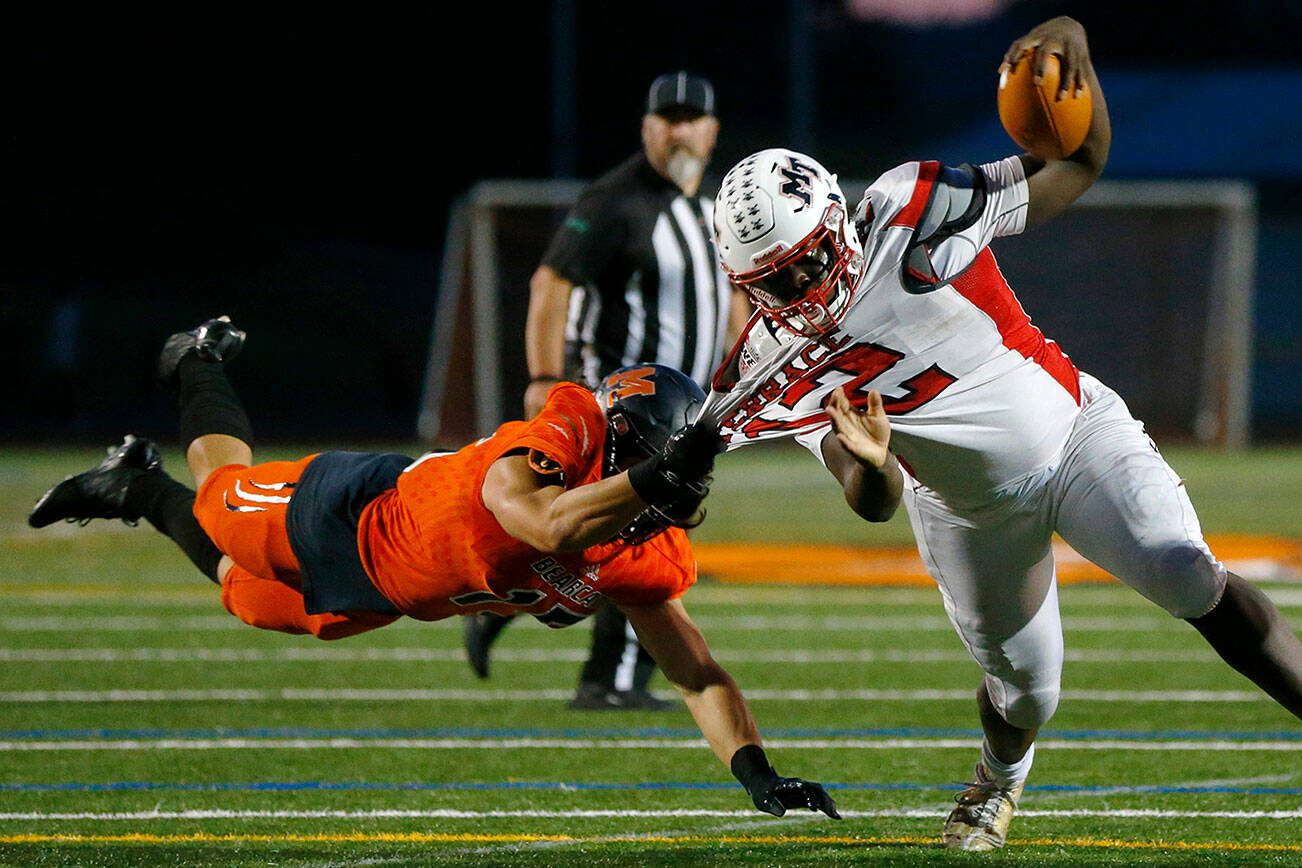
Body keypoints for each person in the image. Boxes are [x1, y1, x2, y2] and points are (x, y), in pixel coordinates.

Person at [707, 16, 1302, 852]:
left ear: (834, 220)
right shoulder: (776, 361)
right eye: (775, 280)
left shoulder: (914, 211)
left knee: (1182, 567)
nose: (801, 287)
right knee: (1027, 692)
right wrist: (874, 463)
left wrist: (1069, 40)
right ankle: (999, 779)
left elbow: (1079, 162)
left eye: (805, 260)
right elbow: (869, 500)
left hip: (1073, 435)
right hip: (965, 509)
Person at [27, 317, 841, 821]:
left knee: (248, 600)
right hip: (353, 509)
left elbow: (696, 675)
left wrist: (758, 776)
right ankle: (196, 360)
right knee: (219, 504)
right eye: (669, 470)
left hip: (398, 589)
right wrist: (651, 480)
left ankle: (135, 482)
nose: (682, 493)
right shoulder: (562, 433)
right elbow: (542, 523)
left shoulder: (646, 548)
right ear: (629, 449)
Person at [464, 70, 753, 710]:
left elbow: (731, 295)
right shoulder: (614, 201)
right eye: (667, 118)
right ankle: (611, 680)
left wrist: (741, 376)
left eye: (691, 118)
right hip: (620, 408)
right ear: (647, 127)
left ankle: (501, 608)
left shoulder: (714, 205)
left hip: (688, 410)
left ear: (712, 131)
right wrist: (544, 378)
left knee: (619, 537)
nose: (679, 130)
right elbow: (551, 284)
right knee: (638, 536)